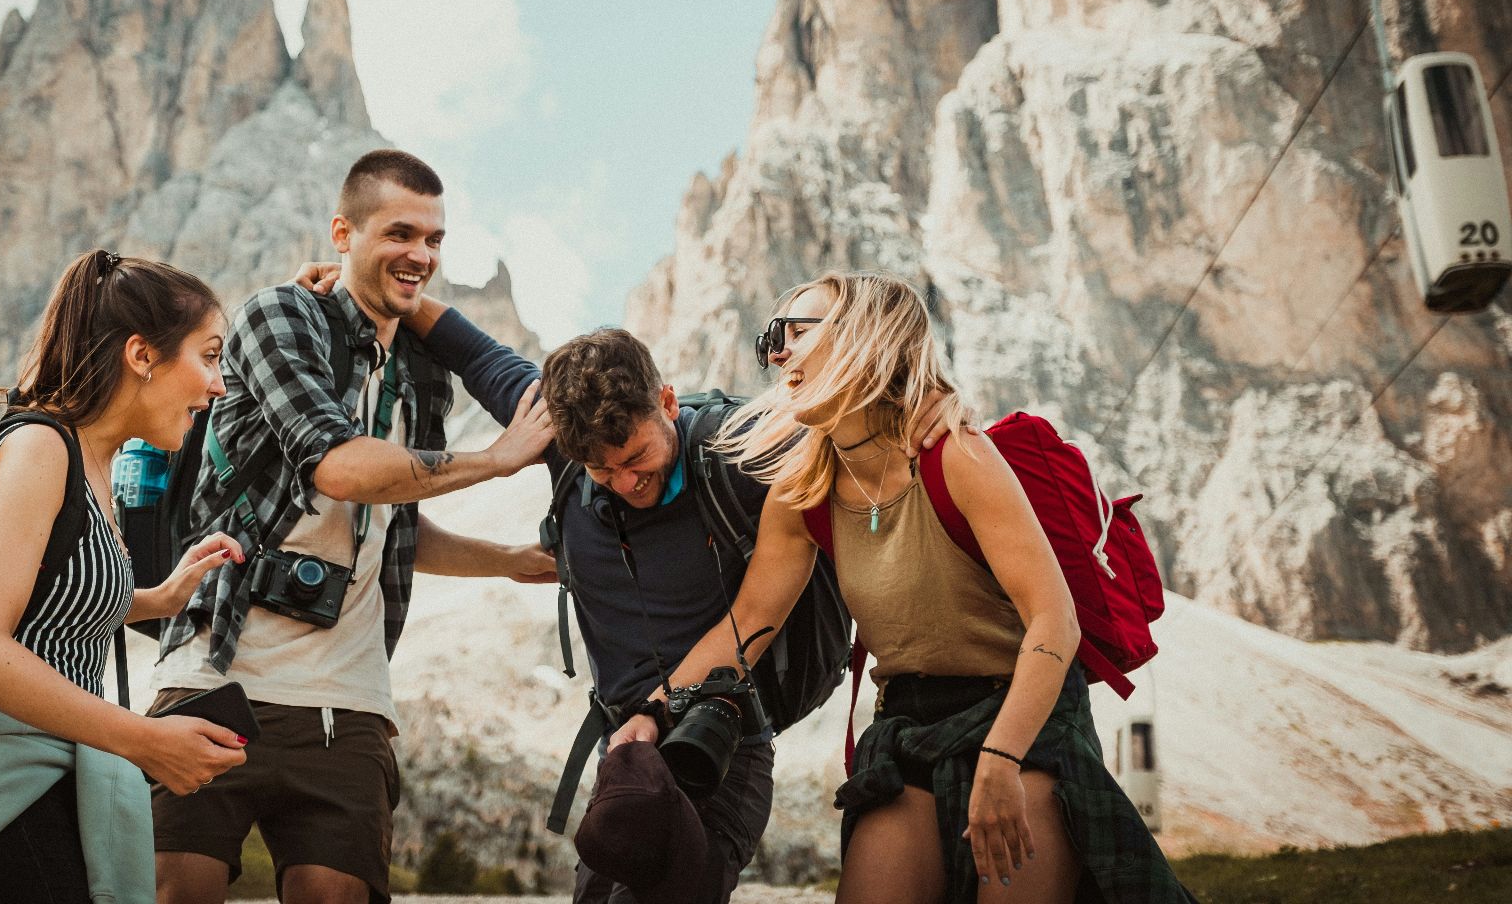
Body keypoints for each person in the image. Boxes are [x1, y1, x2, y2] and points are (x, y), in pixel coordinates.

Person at [284, 266, 948, 904]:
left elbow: (855, 416)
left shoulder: (741, 449)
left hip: (720, 745)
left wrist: (932, 406)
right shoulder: (560, 441)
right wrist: (370, 282)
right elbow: (472, 350)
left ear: (667, 403)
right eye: (601, 472)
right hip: (626, 753)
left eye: (637, 458)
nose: (626, 483)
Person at [151, 149, 557, 904]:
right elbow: (337, 468)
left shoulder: (423, 371)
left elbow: (391, 519)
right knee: (175, 894)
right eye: (400, 233)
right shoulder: (280, 316)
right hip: (217, 673)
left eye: (434, 239)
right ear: (343, 233)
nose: (422, 255)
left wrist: (508, 560)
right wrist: (495, 461)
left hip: (350, 702)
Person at [726, 271, 1195, 904]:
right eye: (771, 339)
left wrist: (1003, 758)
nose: (777, 353)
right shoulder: (800, 490)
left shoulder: (957, 455)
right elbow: (749, 620)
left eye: (796, 332)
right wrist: (651, 711)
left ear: (866, 336)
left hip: (1022, 715)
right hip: (908, 724)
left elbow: (1055, 620)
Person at [0, 249, 252, 903]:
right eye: (208, 356)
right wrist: (146, 740)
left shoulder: (91, 463)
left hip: (48, 779)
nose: (218, 385)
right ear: (141, 355)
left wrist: (157, 598)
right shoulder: (39, 448)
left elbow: (45, 602)